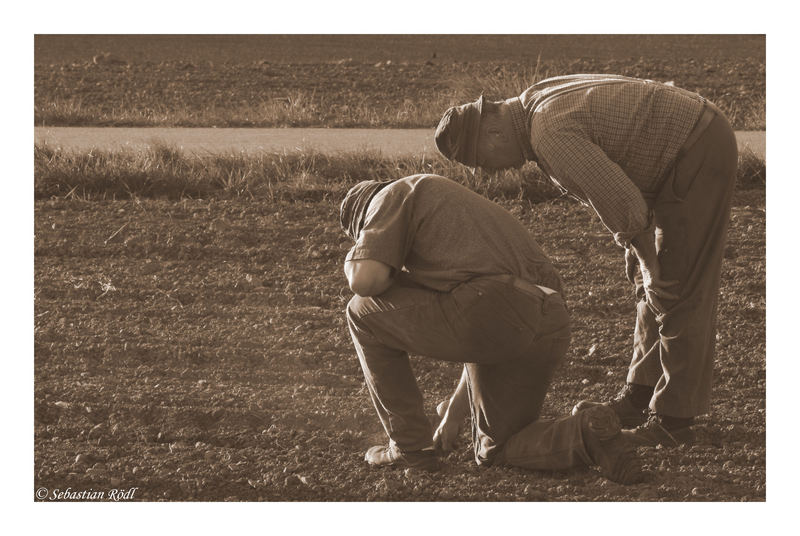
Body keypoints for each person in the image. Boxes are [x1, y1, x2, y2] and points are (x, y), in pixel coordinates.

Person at [434, 74, 739, 447]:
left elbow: (620, 200)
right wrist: (640, 254)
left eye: (484, 163)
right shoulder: (535, 100)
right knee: (652, 282)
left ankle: (674, 420)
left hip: (697, 147)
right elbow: (617, 187)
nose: (496, 172)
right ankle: (639, 397)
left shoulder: (549, 135)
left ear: (492, 134)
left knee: (676, 283)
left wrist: (646, 257)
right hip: (682, 144)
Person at [340, 173, 643, 484]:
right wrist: (456, 414)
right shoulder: (456, 213)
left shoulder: (392, 195)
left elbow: (364, 280)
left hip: (496, 308)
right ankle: (586, 432)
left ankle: (410, 448)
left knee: (361, 311)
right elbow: (487, 325)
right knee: (496, 449)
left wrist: (359, 255)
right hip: (548, 319)